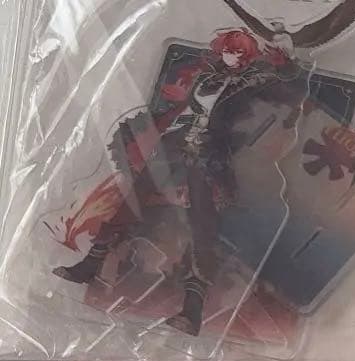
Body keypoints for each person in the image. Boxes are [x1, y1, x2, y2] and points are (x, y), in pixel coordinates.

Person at [52, 28, 306, 335]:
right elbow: (180, 108)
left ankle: (192, 309)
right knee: (131, 202)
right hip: (173, 146)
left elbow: (290, 91)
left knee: (202, 224)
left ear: (247, 56)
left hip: (208, 156)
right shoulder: (205, 76)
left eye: (239, 52)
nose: (232, 55)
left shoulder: (250, 83)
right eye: (228, 49)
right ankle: (89, 265)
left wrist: (287, 62)